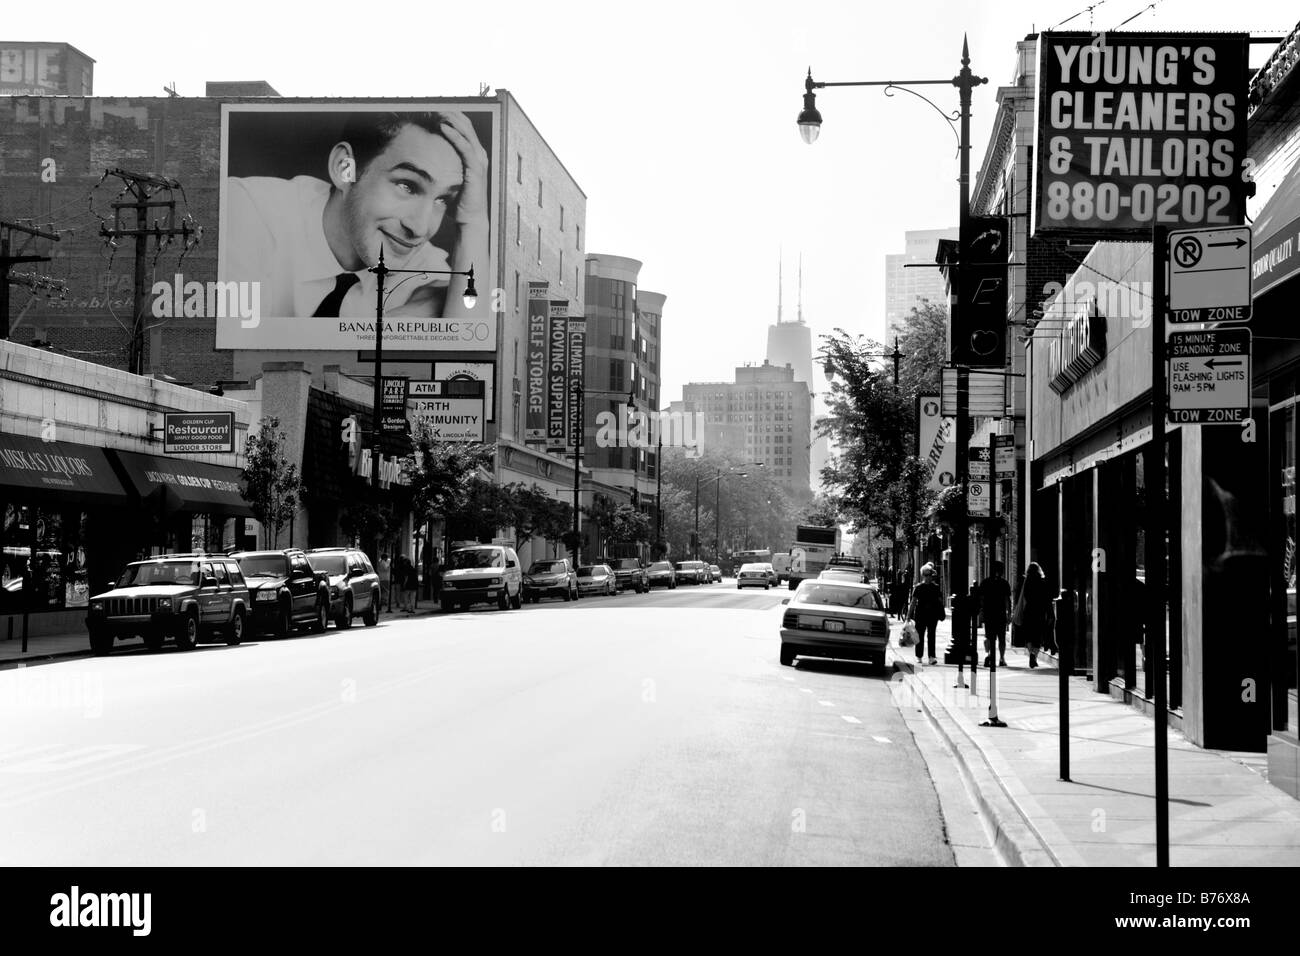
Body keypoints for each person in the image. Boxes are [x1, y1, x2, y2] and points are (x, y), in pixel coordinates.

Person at [223, 110, 489, 323]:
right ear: (344, 169)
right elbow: (234, 359)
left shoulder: (418, 258)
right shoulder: (247, 209)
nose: (419, 227)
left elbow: (466, 337)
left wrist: (474, 222)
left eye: (443, 199)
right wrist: (402, 319)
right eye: (407, 185)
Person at [1014, 562, 1053, 668]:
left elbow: (1021, 597)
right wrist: (1050, 614)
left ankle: (1031, 654)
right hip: (1039, 612)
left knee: (1029, 636)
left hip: (1028, 611)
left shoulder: (1025, 583)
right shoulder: (1042, 582)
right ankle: (1034, 655)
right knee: (1038, 637)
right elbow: (1047, 600)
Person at [908, 565, 945, 666]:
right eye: (927, 575)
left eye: (930, 575)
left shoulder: (936, 587)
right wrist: (908, 616)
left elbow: (940, 601)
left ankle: (931, 657)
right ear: (923, 575)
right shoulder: (918, 587)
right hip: (920, 615)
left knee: (931, 635)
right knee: (919, 635)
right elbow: (913, 602)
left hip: (932, 615)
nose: (929, 577)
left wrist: (941, 612)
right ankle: (919, 656)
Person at [980, 560, 1013, 667]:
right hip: (1000, 613)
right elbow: (1007, 600)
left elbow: (981, 598)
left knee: (988, 636)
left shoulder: (985, 582)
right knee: (1001, 638)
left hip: (988, 613)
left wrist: (981, 612)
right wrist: (1009, 614)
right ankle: (1002, 658)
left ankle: (987, 654)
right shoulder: (1004, 583)